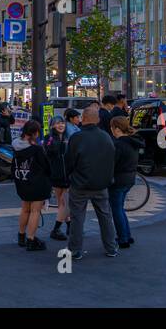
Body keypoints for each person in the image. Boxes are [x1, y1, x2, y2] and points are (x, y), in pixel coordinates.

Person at [65, 104, 118, 260]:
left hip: (80, 183)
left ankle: (75, 249)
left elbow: (69, 162)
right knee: (105, 216)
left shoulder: (77, 138)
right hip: (101, 184)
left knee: (77, 217)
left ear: (84, 119)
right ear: (98, 120)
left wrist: (70, 177)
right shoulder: (106, 137)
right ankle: (111, 247)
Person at [11, 120, 51, 251]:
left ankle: (21, 236)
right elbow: (46, 166)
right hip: (37, 183)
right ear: (35, 133)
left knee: (25, 209)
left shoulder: (16, 145)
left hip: (22, 181)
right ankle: (31, 239)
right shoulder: (36, 149)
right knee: (35, 211)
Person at [109, 117, 143, 249]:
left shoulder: (118, 144)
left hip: (118, 179)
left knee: (117, 209)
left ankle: (123, 238)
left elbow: (113, 164)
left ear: (117, 129)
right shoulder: (133, 141)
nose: (111, 130)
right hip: (129, 178)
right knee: (120, 209)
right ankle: (127, 235)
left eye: (112, 127)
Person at [44, 115, 71, 242]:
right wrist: (59, 143)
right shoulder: (49, 138)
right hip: (56, 174)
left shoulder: (68, 137)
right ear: (52, 126)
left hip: (68, 175)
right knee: (63, 203)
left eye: (63, 123)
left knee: (63, 202)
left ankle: (68, 227)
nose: (61, 125)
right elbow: (49, 150)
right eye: (58, 123)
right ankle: (57, 229)